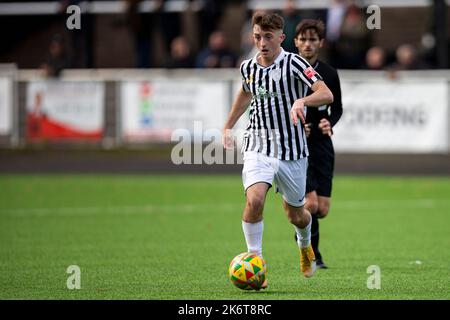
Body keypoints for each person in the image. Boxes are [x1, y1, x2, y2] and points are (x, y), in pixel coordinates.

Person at [222, 12, 334, 286]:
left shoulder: (294, 63)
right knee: (255, 200)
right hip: (258, 145)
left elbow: (326, 93)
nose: (262, 42)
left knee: (297, 214)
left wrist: (303, 102)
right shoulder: (247, 67)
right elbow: (246, 93)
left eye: (268, 37)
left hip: (292, 151)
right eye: (258, 36)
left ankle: (305, 247)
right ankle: (255, 263)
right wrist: (228, 125)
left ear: (281, 38)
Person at [293, 19, 343, 269]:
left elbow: (338, 108)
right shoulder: (290, 71)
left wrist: (329, 123)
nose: (307, 44)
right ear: (295, 42)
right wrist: (297, 125)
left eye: (313, 39)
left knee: (321, 209)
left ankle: (303, 230)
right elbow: (283, 108)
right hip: (298, 148)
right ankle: (313, 255)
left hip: (323, 146)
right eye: (303, 39)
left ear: (320, 43)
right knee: (310, 204)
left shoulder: (330, 74)